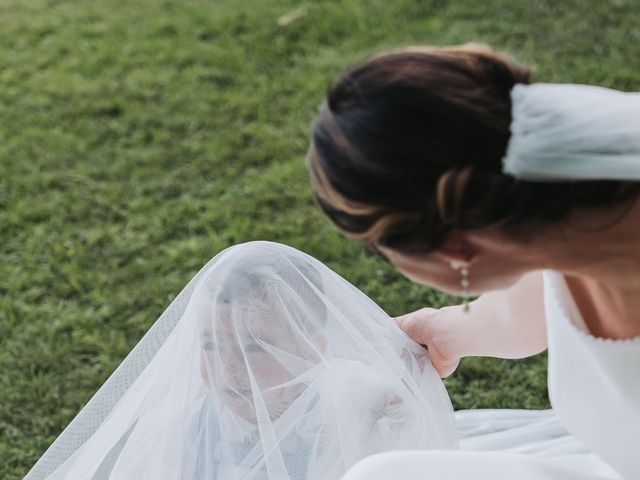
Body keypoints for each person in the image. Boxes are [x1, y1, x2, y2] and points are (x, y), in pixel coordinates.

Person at [308, 43, 640, 479]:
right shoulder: (565, 219)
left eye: (379, 250)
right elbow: (518, 313)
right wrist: (440, 330)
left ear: (456, 252)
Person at [24, 241, 458, 480]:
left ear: (315, 348)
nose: (232, 369)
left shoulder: (355, 410)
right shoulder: (188, 424)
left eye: (255, 349)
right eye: (212, 346)